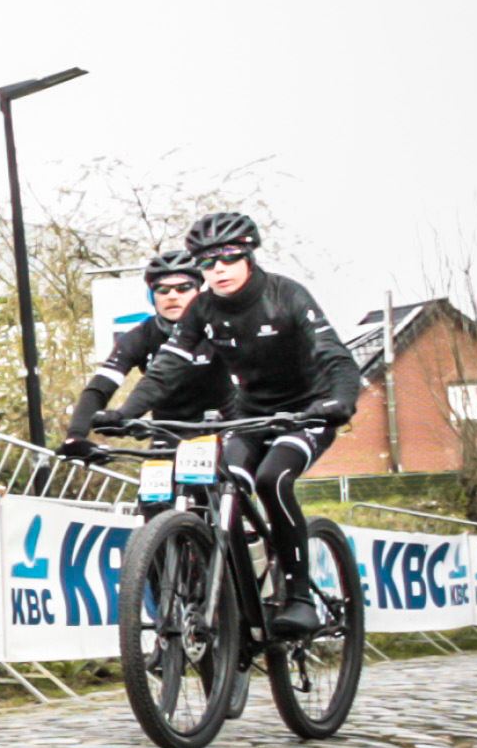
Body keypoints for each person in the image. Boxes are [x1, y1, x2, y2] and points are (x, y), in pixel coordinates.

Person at [105, 210, 362, 636]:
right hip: (252, 415)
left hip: (308, 412)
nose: (218, 269)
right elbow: (166, 368)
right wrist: (125, 412)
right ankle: (240, 600)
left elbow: (335, 356)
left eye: (228, 258)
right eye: (207, 263)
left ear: (249, 256)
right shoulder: (203, 308)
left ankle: (299, 597)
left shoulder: (286, 294)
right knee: (227, 482)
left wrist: (340, 401)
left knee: (271, 479)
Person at [65, 249, 222, 448]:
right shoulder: (140, 336)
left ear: (199, 291)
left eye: (183, 288)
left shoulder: (221, 326)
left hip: (229, 429)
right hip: (167, 435)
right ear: (152, 296)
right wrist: (76, 435)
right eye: (162, 290)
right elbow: (100, 387)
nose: (172, 296)